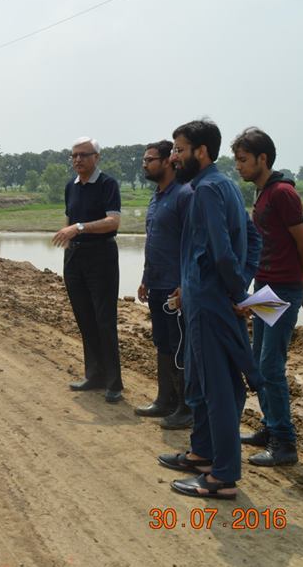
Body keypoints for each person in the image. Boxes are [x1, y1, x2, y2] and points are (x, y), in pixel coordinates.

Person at [157, 119, 262, 500]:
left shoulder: (204, 192)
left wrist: (238, 293)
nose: (174, 156)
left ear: (201, 152)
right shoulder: (223, 187)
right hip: (208, 298)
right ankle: (203, 454)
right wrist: (242, 287)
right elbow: (252, 239)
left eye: (180, 150)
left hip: (211, 304)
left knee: (218, 388)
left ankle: (222, 477)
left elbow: (221, 252)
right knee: (203, 383)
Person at [232, 127, 303, 466]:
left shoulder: (282, 193)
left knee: (271, 366)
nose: (238, 166)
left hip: (282, 289)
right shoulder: (262, 192)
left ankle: (284, 443)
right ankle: (269, 427)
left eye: (243, 160)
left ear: (262, 159)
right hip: (267, 288)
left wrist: (300, 282)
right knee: (258, 360)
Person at [52, 136, 124, 403]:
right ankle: (93, 374)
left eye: (83, 155)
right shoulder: (71, 186)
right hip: (75, 257)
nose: (77, 160)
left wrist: (79, 227)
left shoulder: (108, 184)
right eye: (74, 155)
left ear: (97, 157)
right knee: (84, 317)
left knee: (105, 320)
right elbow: (69, 217)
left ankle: (114, 383)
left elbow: (113, 222)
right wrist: (70, 235)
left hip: (101, 256)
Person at [135, 140, 194, 429]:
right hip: (157, 283)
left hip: (175, 288)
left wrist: (185, 284)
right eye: (144, 160)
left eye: (150, 160)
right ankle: (165, 400)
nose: (145, 165)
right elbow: (153, 240)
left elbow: (190, 244)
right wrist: (146, 277)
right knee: (162, 342)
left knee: (180, 344)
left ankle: (186, 407)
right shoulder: (156, 196)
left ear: (168, 161)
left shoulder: (184, 195)